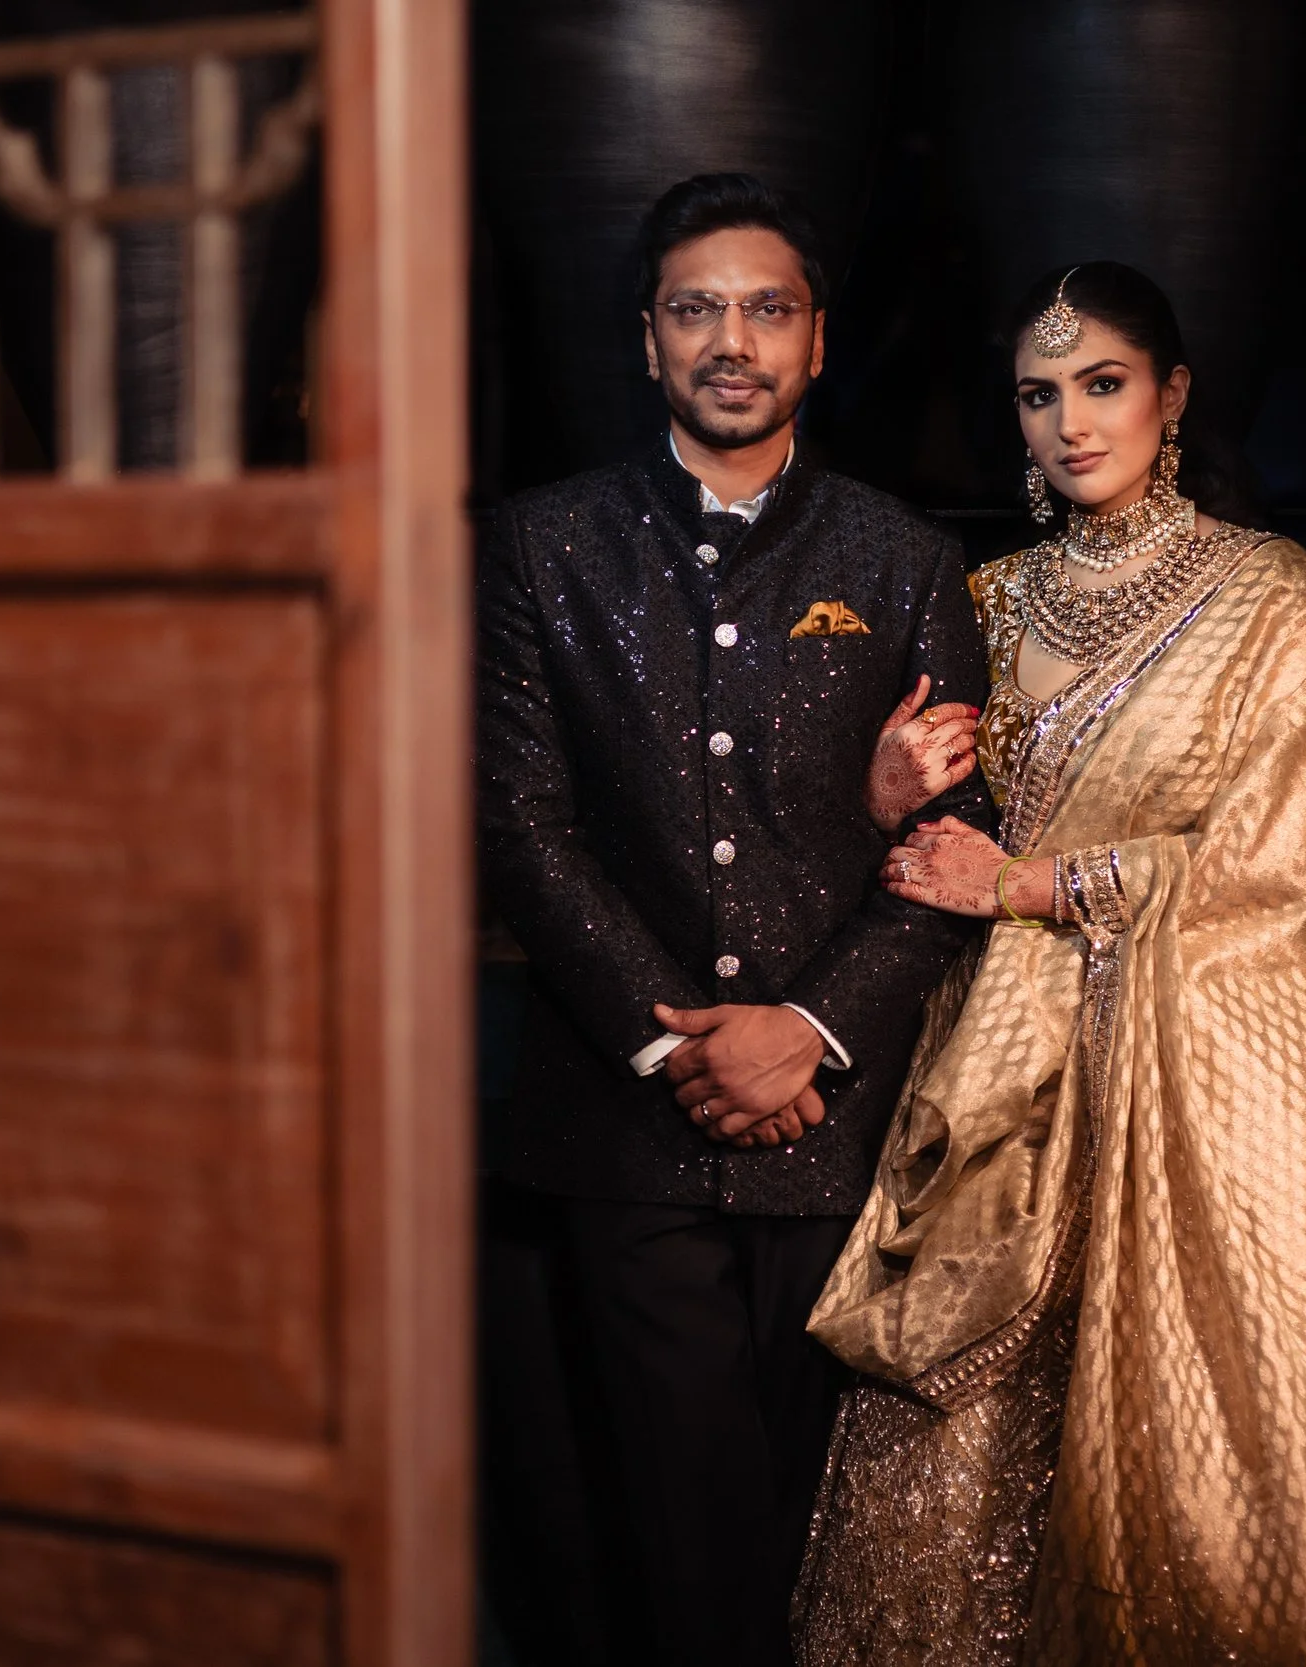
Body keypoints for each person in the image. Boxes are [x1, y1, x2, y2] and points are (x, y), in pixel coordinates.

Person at [792, 263, 1306, 1666]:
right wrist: (879, 792)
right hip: (1004, 1093)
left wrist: (1030, 882)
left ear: (1174, 397)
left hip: (1229, 1078)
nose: (1071, 423)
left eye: (1104, 384)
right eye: (1040, 394)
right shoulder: (978, 597)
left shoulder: (1278, 598)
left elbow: (1281, 868)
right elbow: (910, 850)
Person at [474, 173, 994, 1666]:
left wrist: (807, 1030)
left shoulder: (902, 558)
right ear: (649, 340)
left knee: (804, 1522)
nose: (732, 338)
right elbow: (521, 826)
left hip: (839, 1114)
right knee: (654, 1528)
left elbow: (959, 838)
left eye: (767, 308)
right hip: (625, 1122)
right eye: (697, 307)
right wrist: (687, 1051)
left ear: (817, 343)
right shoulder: (542, 546)